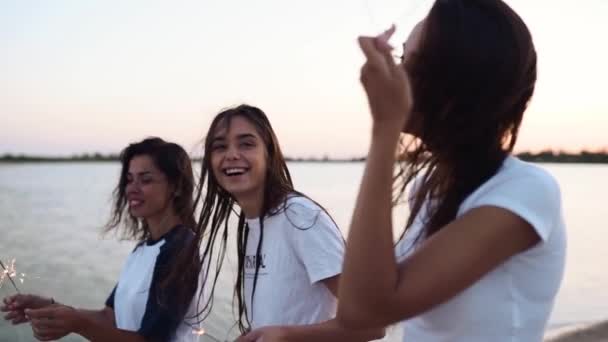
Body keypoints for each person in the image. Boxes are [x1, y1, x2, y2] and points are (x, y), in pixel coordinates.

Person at [336, 1, 567, 341]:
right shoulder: (430, 187)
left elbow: (363, 309)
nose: (396, 73)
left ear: (457, 85)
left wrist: (385, 127)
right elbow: (372, 300)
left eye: (410, 63)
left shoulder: (525, 192)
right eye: (400, 58)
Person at [192, 104, 383, 341]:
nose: (231, 154)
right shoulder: (254, 222)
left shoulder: (299, 216)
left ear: (269, 153)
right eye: (220, 146)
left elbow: (372, 323)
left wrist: (285, 334)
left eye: (246, 144)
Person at [1, 137, 203, 342]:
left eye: (146, 179)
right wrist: (51, 307)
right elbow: (110, 317)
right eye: (130, 179)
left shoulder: (182, 249)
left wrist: (77, 323)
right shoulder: (142, 249)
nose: (132, 188)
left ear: (176, 186)